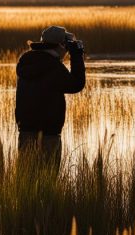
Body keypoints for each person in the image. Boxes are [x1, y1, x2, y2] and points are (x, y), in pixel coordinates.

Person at [15, 26, 86, 171]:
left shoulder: (26, 62)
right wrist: (77, 56)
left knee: (25, 178)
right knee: (48, 179)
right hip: (49, 134)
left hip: (26, 131)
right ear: (60, 46)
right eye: (66, 45)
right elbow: (76, 85)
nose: (66, 50)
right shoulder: (53, 67)